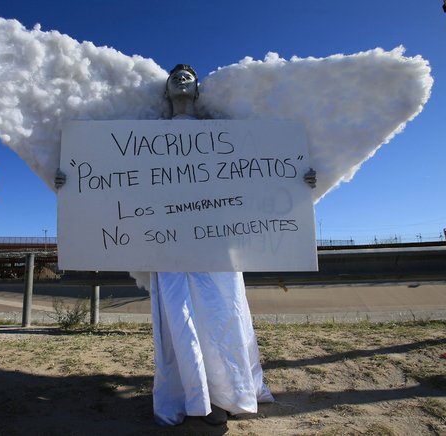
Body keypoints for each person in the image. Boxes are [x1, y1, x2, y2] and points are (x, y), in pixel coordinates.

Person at [56, 64, 316, 426]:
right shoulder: (144, 139)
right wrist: (70, 179)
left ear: (197, 90)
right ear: (166, 91)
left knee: (222, 317)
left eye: (189, 74)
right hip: (168, 246)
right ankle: (192, 398)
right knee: (179, 321)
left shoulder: (221, 134)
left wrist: (297, 175)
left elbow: (255, 178)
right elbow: (111, 180)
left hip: (218, 246)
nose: (182, 75)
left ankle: (227, 396)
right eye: (175, 74)